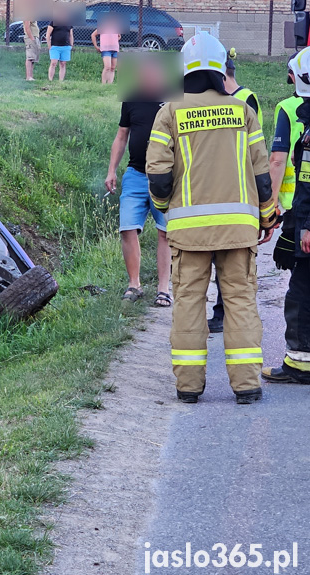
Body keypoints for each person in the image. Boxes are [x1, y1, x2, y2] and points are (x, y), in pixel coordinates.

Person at [146, 32, 277, 405]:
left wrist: (166, 203)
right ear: (221, 68)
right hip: (238, 229)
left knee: (187, 302)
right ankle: (246, 386)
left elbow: (158, 174)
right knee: (240, 302)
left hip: (189, 233)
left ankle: (188, 387)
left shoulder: (169, 111)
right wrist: (266, 218)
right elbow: (261, 174)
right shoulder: (243, 112)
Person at [208, 48, 265, 333]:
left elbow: (255, 153)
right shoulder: (225, 101)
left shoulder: (245, 99)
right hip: (223, 188)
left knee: (235, 265)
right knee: (222, 258)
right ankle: (223, 313)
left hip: (242, 191)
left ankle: (228, 315)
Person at [105, 66, 171, 306]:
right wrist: (112, 170)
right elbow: (122, 135)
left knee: (165, 232)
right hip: (134, 174)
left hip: (165, 176)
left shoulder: (173, 101)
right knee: (127, 228)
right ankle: (134, 284)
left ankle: (164, 288)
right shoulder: (131, 99)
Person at [263, 48, 310, 384]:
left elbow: (285, 166)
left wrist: (301, 226)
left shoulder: (296, 118)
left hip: (303, 217)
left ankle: (299, 363)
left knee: (300, 292)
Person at [92, 15, 120, 85]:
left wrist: (114, 41)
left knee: (113, 68)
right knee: (107, 67)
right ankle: (103, 84)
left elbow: (119, 36)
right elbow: (93, 35)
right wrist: (96, 46)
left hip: (115, 49)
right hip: (106, 49)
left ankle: (109, 84)